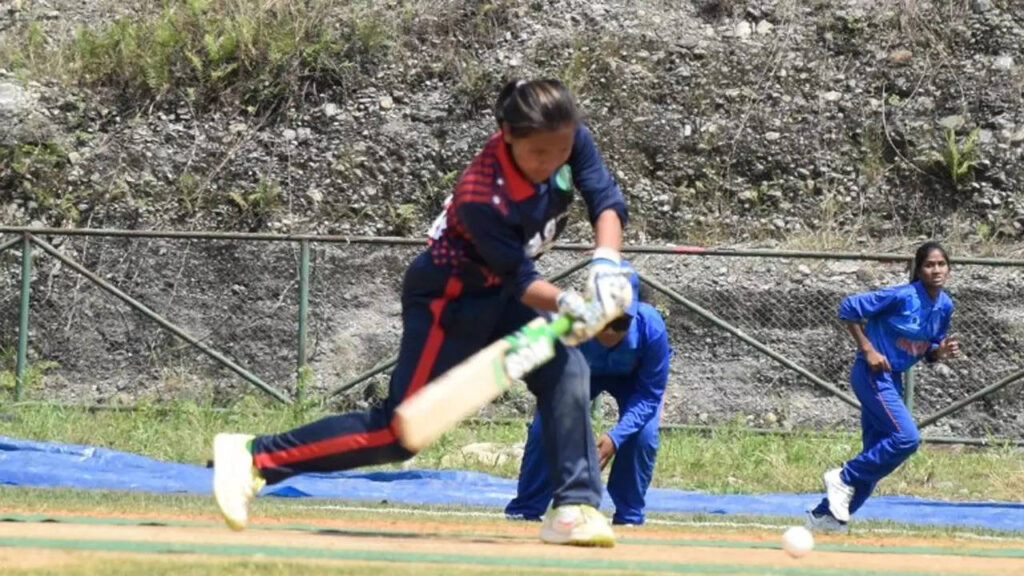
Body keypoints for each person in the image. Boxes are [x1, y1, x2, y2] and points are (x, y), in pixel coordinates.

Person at [212, 78, 633, 547]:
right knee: (399, 432)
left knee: (566, 365)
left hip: (510, 298)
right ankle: (252, 457)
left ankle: (575, 507)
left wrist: (606, 265)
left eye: (561, 151)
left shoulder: (565, 135)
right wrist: (570, 303)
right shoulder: (483, 194)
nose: (553, 162)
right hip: (448, 300)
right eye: (539, 155)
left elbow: (604, 197)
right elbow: (519, 277)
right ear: (507, 135)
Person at [807, 242, 959, 532]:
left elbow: (929, 348)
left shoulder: (945, 305)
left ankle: (823, 519)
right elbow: (849, 307)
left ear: (949, 268)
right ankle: (843, 477)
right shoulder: (902, 296)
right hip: (872, 375)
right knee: (906, 439)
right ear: (919, 269)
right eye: (929, 265)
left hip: (894, 379)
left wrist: (940, 352)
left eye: (941, 264)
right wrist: (868, 350)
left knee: (877, 454)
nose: (936, 270)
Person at [506, 268, 672, 525]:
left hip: (631, 382)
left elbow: (650, 395)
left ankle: (629, 516)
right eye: (603, 319)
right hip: (580, 375)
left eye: (620, 323)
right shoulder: (565, 324)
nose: (610, 332)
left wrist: (615, 438)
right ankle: (526, 508)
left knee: (644, 436)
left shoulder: (652, 328)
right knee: (544, 428)